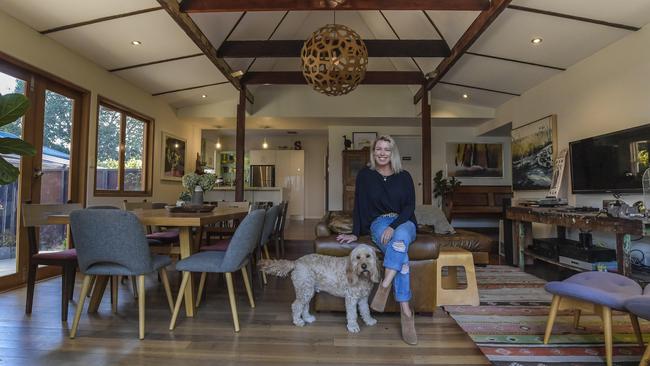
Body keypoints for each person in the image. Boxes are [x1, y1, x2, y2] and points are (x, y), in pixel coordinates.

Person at [337, 135, 418, 345]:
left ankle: (385, 284)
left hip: (404, 222)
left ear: (393, 153)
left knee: (400, 237)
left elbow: (409, 207)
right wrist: (356, 232)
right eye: (378, 149)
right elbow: (359, 205)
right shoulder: (365, 175)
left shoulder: (404, 176)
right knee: (401, 251)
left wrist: (394, 225)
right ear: (374, 152)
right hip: (379, 224)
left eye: (387, 149)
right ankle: (406, 311)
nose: (382, 153)